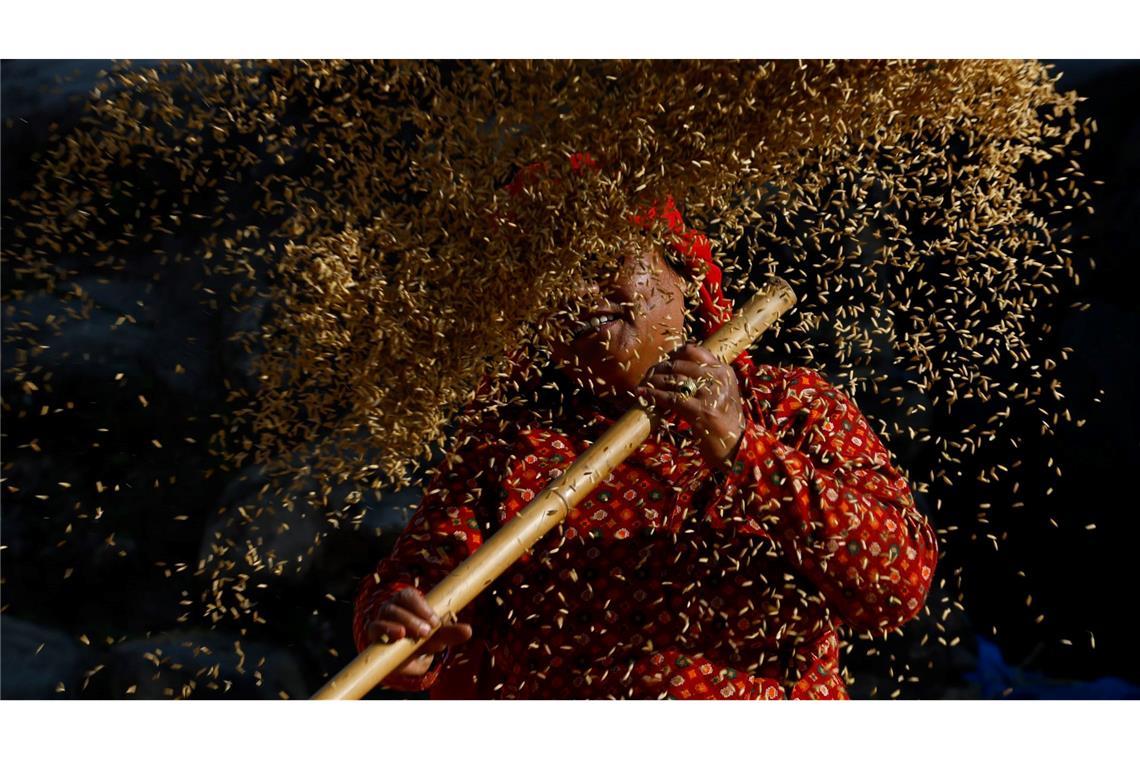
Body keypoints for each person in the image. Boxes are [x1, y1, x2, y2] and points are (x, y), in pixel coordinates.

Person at [351, 155, 939, 699]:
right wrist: (402, 630)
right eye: (551, 283)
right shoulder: (508, 445)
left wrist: (745, 450)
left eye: (603, 263)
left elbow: (901, 583)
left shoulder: (787, 405)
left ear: (680, 273)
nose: (579, 294)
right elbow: (414, 585)